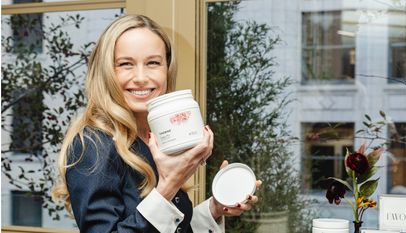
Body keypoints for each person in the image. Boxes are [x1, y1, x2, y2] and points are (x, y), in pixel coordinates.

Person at [52, 14, 261, 233]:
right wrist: (169, 185)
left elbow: (171, 227)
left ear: (167, 69)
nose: (141, 77)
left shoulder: (154, 137)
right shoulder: (93, 145)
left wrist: (214, 208)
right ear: (106, 72)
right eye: (125, 64)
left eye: (153, 63)